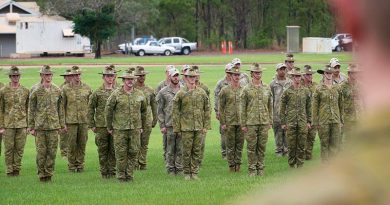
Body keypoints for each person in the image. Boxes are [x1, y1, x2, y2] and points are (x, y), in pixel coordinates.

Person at [238, 0, 390, 204]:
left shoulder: (295, 198)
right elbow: (282, 104)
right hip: (291, 121)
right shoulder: (281, 87)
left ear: (351, 21)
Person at [105, 68, 147, 182]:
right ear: (123, 80)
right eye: (127, 79)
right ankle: (121, 177)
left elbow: (144, 111)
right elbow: (108, 110)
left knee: (133, 152)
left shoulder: (139, 94)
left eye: (132, 79)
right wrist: (109, 127)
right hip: (120, 129)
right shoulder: (116, 94)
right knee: (121, 154)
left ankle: (129, 175)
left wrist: (142, 126)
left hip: (135, 129)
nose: (130, 81)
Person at [28, 65, 65, 182]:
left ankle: (49, 174)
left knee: (52, 152)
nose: (48, 77)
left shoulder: (57, 90)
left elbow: (61, 109)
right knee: (41, 152)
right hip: (40, 126)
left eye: (50, 74)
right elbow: (31, 109)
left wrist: (62, 125)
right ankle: (41, 174)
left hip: (54, 126)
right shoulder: (36, 91)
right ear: (41, 76)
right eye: (46, 75)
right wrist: (31, 127)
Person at [172, 68, 210, 180]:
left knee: (196, 150)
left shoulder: (201, 92)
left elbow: (207, 109)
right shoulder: (181, 93)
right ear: (185, 78)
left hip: (198, 127)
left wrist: (205, 126)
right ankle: (187, 173)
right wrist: (177, 128)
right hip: (186, 127)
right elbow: (175, 112)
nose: (192, 79)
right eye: (190, 77)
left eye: (194, 77)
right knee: (186, 151)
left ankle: (194, 172)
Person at [240, 63, 273, 176]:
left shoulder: (267, 88)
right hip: (251, 123)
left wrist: (270, 121)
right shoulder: (246, 89)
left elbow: (270, 106)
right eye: (256, 73)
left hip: (264, 122)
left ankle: (261, 168)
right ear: (252, 74)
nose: (258, 74)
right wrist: (243, 124)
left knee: (262, 146)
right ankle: (252, 169)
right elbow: (242, 108)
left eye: (259, 72)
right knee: (251, 147)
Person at [87, 65, 118, 178]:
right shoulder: (97, 93)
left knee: (114, 150)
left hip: (115, 126)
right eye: (108, 76)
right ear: (103, 77)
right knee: (103, 150)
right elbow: (90, 108)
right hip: (101, 126)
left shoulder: (117, 92)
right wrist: (92, 124)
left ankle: (112, 172)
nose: (110, 78)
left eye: (112, 76)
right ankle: (104, 173)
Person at [62, 66, 92, 172]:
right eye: (75, 75)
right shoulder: (65, 89)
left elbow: (91, 106)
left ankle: (80, 165)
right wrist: (63, 123)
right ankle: (71, 165)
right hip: (71, 121)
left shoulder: (87, 88)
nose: (77, 77)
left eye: (79, 74)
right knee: (71, 144)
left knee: (82, 143)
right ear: (72, 76)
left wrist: (91, 121)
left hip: (84, 121)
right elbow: (62, 106)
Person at [0, 66, 29, 176]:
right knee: (8, 149)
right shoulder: (3, 91)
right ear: (10, 77)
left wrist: (28, 125)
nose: (15, 78)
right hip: (8, 125)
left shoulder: (26, 91)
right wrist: (1, 126)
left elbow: (28, 108)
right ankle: (9, 170)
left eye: (17, 76)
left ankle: (16, 169)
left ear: (20, 76)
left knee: (19, 148)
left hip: (22, 124)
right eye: (13, 76)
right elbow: (1, 109)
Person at [280, 68, 312, 168]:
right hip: (291, 121)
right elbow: (282, 107)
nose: (297, 78)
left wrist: (309, 121)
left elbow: (309, 106)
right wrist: (283, 122)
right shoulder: (287, 91)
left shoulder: (306, 91)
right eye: (295, 76)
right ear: (292, 77)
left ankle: (300, 164)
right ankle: (291, 164)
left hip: (302, 121)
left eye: (299, 76)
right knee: (291, 145)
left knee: (302, 144)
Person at [312, 65, 343, 162]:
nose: (329, 75)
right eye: (327, 73)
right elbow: (315, 106)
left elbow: (340, 104)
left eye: (330, 73)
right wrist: (315, 121)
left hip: (335, 120)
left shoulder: (337, 88)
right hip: (323, 121)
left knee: (334, 144)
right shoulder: (319, 89)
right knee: (324, 144)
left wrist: (341, 120)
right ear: (324, 74)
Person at [157, 68, 183, 175]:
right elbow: (160, 110)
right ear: (170, 77)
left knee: (180, 148)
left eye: (177, 76)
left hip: (182, 125)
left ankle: (179, 168)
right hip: (169, 124)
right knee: (170, 149)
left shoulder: (184, 90)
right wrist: (162, 125)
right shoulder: (163, 92)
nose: (176, 78)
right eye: (174, 76)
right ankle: (170, 169)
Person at [219, 66, 244, 172]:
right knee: (230, 145)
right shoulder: (225, 90)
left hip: (241, 122)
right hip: (229, 122)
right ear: (231, 76)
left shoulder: (243, 89)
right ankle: (231, 166)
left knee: (240, 144)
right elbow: (221, 107)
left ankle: (238, 164)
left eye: (238, 75)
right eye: (235, 75)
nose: (237, 77)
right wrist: (223, 122)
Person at [134, 66, 157, 170]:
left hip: (147, 120)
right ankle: (134, 163)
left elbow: (154, 105)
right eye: (139, 75)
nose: (142, 77)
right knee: (134, 143)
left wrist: (155, 118)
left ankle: (142, 163)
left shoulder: (150, 89)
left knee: (144, 143)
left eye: (143, 75)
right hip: (135, 120)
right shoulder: (132, 88)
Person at [270, 63, 292, 156]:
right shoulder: (273, 84)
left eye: (284, 69)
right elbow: (271, 99)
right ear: (277, 71)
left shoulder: (290, 83)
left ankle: (286, 150)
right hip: (276, 112)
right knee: (278, 132)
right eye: (280, 69)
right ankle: (279, 150)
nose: (282, 71)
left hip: (288, 112)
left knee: (287, 131)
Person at [156, 65, 176, 163]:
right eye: (168, 72)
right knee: (167, 143)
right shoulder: (161, 87)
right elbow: (159, 106)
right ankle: (168, 161)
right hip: (168, 121)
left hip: (178, 122)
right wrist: (162, 124)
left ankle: (177, 165)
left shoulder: (181, 87)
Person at [192, 65, 210, 166]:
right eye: (194, 74)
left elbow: (207, 106)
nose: (196, 76)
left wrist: (206, 124)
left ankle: (199, 161)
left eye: (197, 74)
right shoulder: (184, 88)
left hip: (201, 120)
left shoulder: (204, 88)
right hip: (189, 120)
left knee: (201, 143)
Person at [214, 63, 233, 159]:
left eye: (231, 71)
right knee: (224, 133)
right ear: (226, 71)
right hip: (224, 112)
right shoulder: (220, 83)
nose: (230, 73)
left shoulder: (237, 82)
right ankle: (224, 153)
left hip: (234, 113)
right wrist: (217, 111)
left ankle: (233, 153)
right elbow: (217, 98)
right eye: (229, 71)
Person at [340, 64, 363, 142]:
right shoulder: (342, 86)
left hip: (359, 117)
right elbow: (338, 102)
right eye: (353, 73)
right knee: (348, 140)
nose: (355, 74)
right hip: (347, 118)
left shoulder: (360, 85)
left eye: (356, 73)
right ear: (349, 73)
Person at [302, 65, 318, 160]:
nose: (310, 76)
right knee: (303, 136)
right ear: (303, 75)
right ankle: (301, 154)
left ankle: (308, 155)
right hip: (303, 116)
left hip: (314, 115)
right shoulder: (300, 86)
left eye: (311, 74)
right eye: (307, 75)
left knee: (311, 137)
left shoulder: (316, 86)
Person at [58, 69, 73, 158]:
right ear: (65, 77)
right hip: (64, 115)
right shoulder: (60, 89)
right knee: (64, 136)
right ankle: (64, 153)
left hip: (73, 116)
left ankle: (71, 153)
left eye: (71, 76)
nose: (70, 78)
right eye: (68, 76)